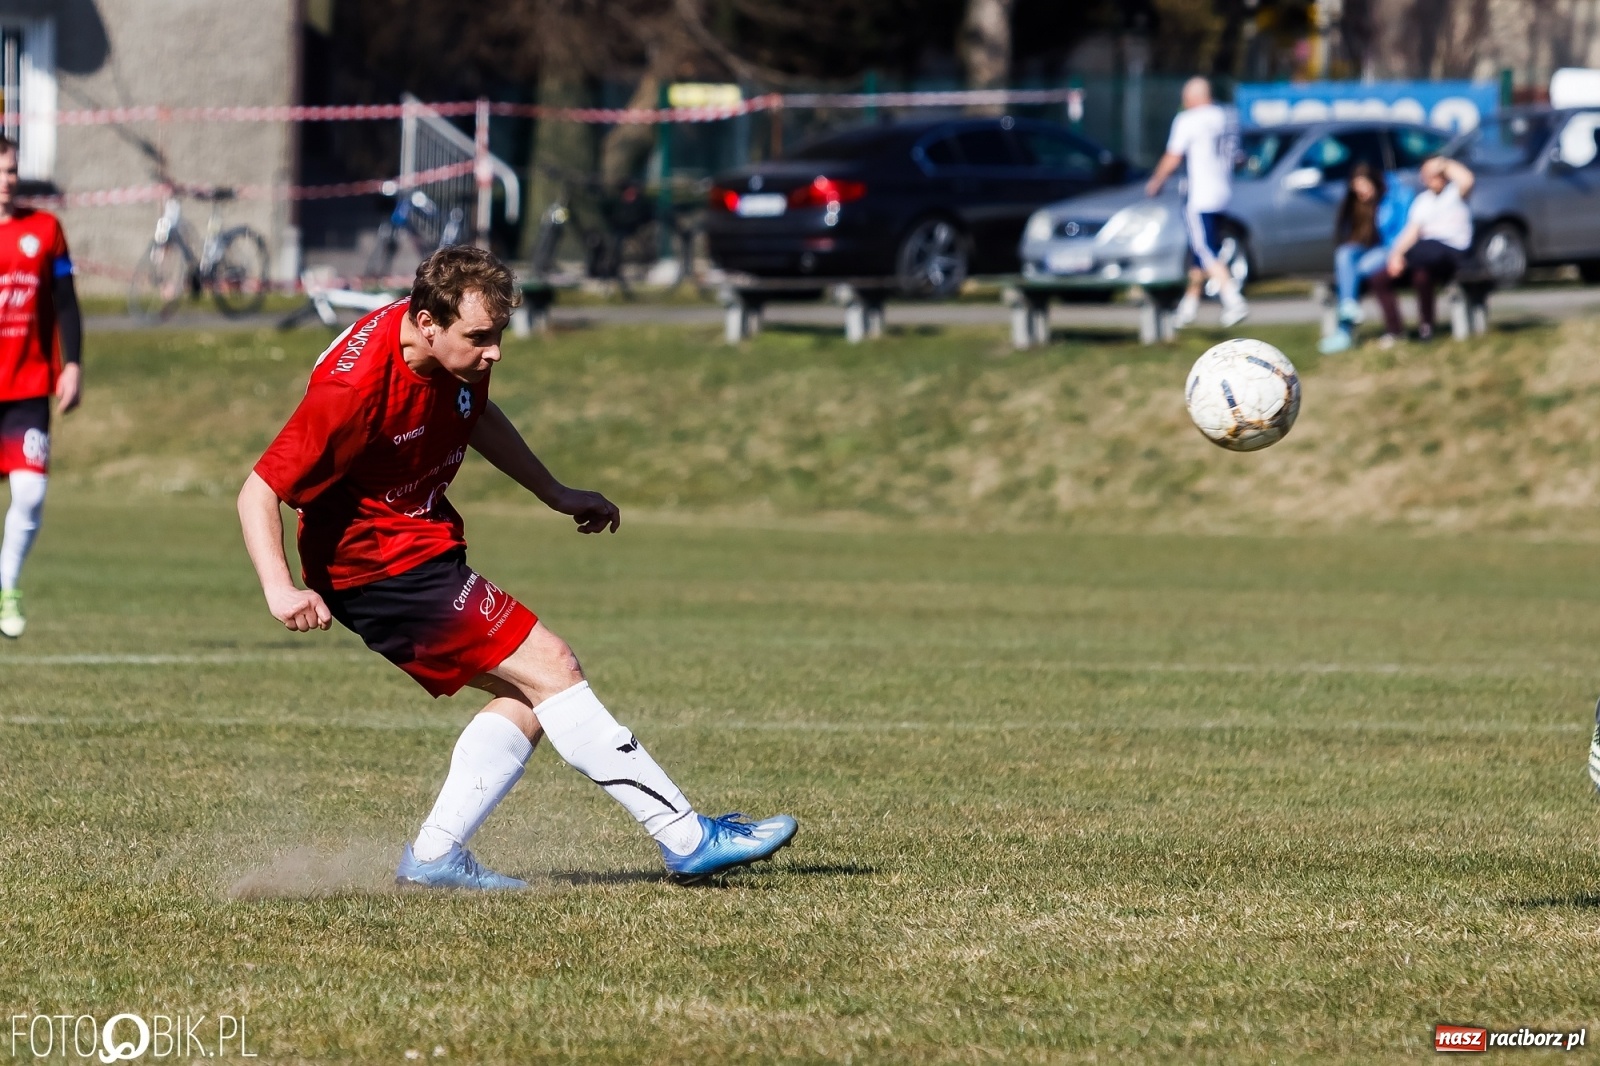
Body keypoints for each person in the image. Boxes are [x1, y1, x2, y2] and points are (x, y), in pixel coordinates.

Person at [238, 246, 797, 890]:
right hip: (377, 566)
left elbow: (473, 415)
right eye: (479, 337)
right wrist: (279, 588)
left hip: (415, 545)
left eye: (499, 335)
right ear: (427, 324)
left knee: (529, 701)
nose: (494, 352)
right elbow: (258, 491)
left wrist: (555, 492)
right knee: (555, 668)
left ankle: (434, 860)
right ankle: (687, 837)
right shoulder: (351, 388)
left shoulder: (455, 355)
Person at [0, 135, 83, 639]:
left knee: (30, 492)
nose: (5, 180)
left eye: (10, 170)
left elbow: (68, 303)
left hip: (28, 387)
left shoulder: (46, 229)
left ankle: (6, 586)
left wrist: (72, 365)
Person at [1145, 76, 1250, 329]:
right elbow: (1239, 158)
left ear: (1193, 97)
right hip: (1224, 192)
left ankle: (1233, 299)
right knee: (1200, 253)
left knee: (1206, 251)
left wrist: (1156, 181)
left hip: (1200, 195)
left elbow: (1174, 155)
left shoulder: (1188, 120)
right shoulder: (1228, 116)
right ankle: (1188, 307)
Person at [1368, 156, 1475, 346]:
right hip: (1423, 256)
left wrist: (1444, 163)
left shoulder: (1456, 193)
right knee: (1385, 278)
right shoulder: (1422, 201)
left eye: (1436, 174)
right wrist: (1396, 255)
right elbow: (1411, 232)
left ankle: (1427, 326)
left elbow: (1467, 179)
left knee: (1425, 254)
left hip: (1451, 250)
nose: (1433, 178)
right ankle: (1396, 331)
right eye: (1428, 175)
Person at [1319, 163, 1414, 354]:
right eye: (1356, 187)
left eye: (1363, 185)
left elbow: (1403, 231)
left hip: (1392, 249)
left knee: (1358, 271)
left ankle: (1344, 329)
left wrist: (1398, 254)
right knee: (1344, 254)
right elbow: (1353, 235)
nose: (1360, 191)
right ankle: (1348, 309)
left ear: (1374, 182)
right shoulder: (1358, 202)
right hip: (1368, 250)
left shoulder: (1396, 197)